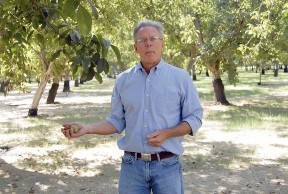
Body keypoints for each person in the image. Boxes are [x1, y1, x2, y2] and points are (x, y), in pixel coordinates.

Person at [61, 20, 203, 194]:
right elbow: (116, 122)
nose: (148, 43)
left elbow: (194, 118)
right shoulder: (123, 80)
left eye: (153, 38)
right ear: (135, 47)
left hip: (167, 165)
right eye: (142, 40)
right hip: (131, 166)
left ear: (162, 44)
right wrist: (88, 128)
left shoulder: (180, 78)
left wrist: (167, 134)